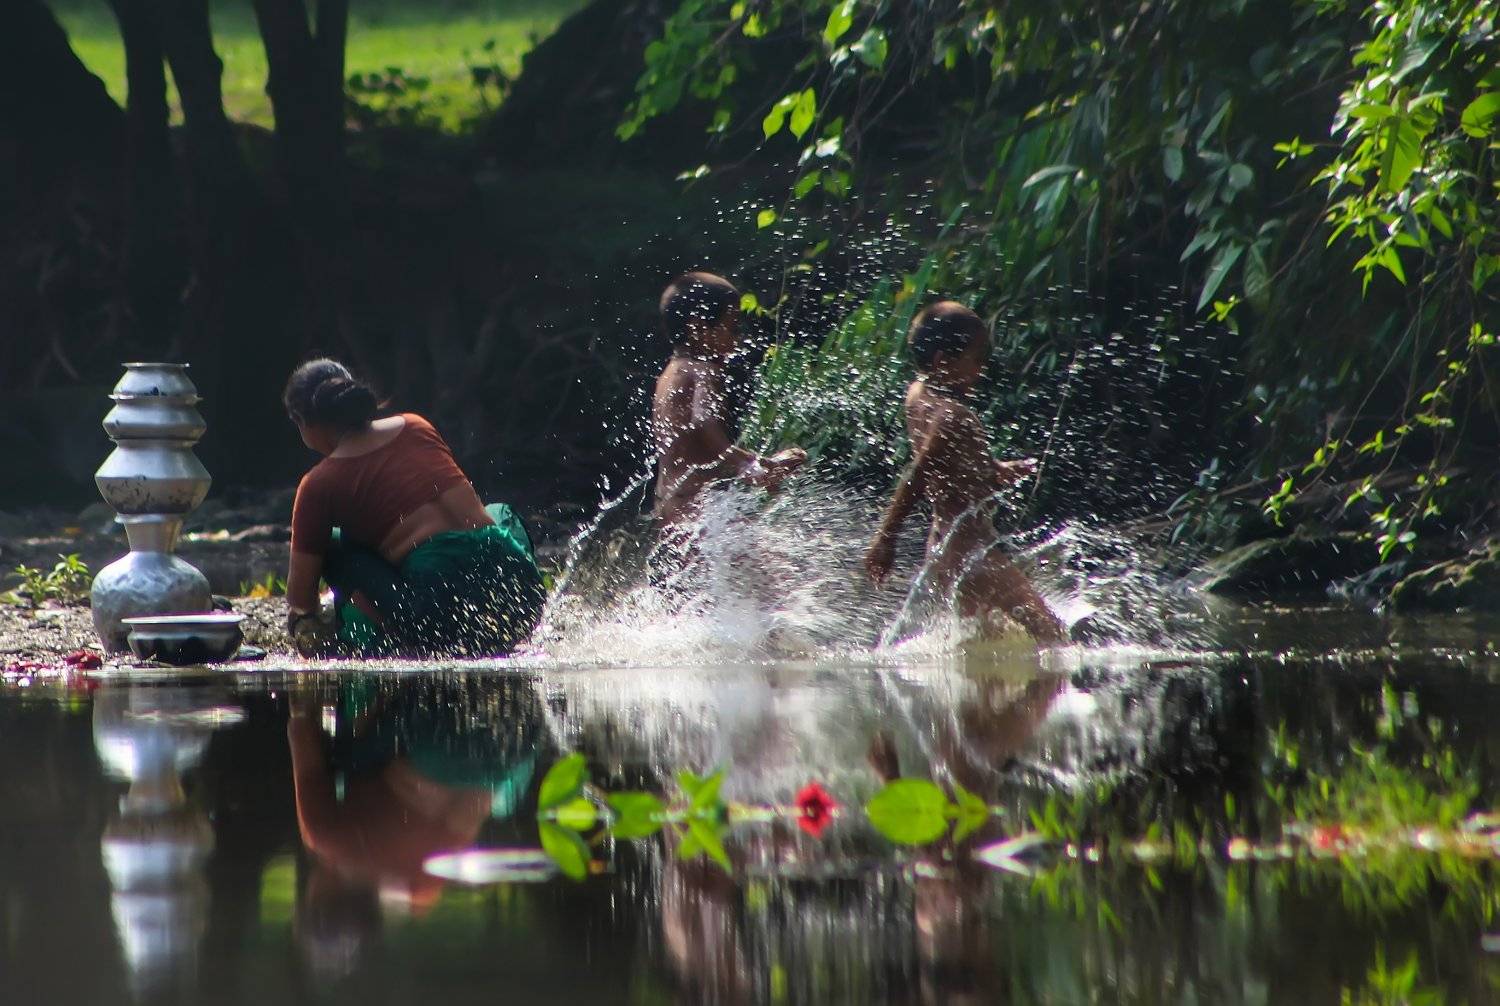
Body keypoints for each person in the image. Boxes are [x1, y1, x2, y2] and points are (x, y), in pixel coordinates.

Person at [281, 359, 545, 657]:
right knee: (500, 512)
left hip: (436, 615)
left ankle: (395, 637)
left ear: (304, 422)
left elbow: (300, 598)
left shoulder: (318, 484)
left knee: (333, 545)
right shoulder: (416, 425)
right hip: (519, 589)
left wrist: (311, 616)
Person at [864, 301, 1065, 643]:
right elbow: (918, 474)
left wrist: (994, 469)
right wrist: (885, 539)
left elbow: (947, 466)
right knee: (1052, 635)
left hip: (944, 548)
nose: (980, 370)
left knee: (983, 646)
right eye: (976, 359)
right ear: (943, 362)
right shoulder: (955, 417)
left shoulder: (917, 395)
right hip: (973, 552)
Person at [651, 271, 807, 527]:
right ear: (698, 328)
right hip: (697, 509)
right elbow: (703, 421)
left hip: (669, 503)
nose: (736, 341)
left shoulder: (670, 374)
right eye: (732, 328)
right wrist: (749, 464)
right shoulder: (704, 370)